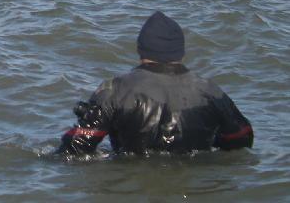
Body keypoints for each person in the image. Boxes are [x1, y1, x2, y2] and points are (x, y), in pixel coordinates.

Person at [58, 11, 253, 156]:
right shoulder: (211, 91)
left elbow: (76, 148)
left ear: (141, 50)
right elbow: (242, 138)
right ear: (181, 52)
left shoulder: (115, 90)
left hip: (132, 184)